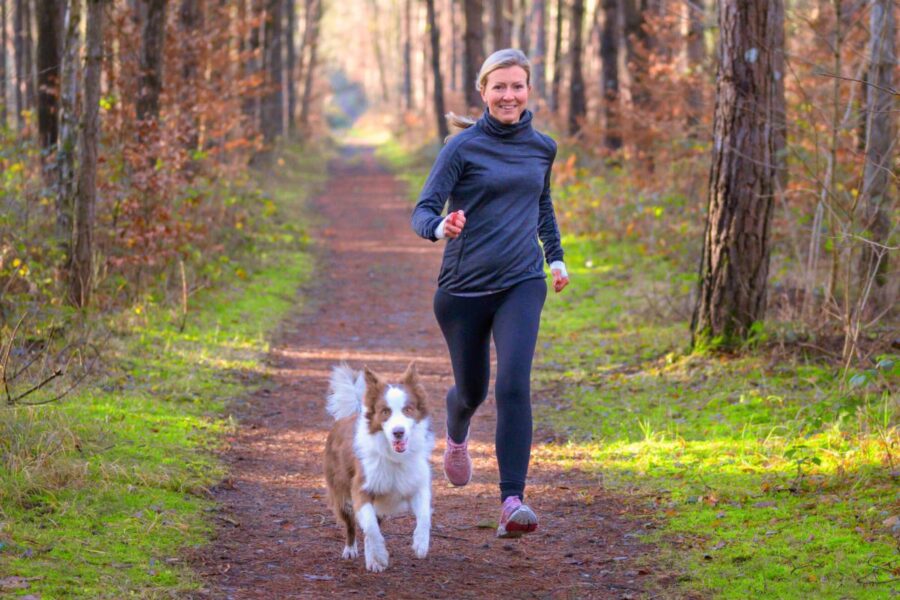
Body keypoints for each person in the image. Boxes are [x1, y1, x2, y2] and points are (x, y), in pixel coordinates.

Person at [410, 48, 569, 538]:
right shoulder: (461, 149)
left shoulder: (543, 147)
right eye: (499, 86)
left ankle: (511, 501)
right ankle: (456, 434)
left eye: (517, 85)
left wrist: (555, 258)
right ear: (483, 92)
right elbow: (423, 210)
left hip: (522, 281)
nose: (509, 95)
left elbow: (541, 205)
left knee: (513, 384)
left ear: (528, 91)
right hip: (463, 290)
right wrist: (441, 227)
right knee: (473, 390)